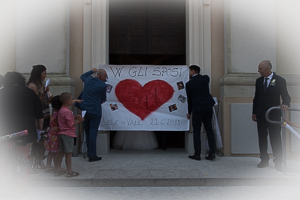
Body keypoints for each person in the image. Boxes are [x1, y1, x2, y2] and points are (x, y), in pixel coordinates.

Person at [0, 72, 44, 173]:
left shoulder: (1, 93)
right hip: (26, 131)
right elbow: (39, 114)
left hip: (6, 132)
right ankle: (22, 179)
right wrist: (40, 130)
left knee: (6, 157)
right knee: (24, 157)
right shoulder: (30, 93)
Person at [252, 60, 291, 172]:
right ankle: (264, 159)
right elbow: (256, 98)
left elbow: (286, 96)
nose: (258, 71)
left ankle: (278, 161)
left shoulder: (280, 80)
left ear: (268, 68)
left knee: (275, 138)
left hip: (273, 115)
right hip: (260, 114)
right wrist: (254, 112)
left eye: (260, 69)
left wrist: (285, 104)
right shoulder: (259, 81)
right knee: (262, 138)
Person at [185, 65, 216, 161]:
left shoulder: (189, 84)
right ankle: (212, 153)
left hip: (197, 109)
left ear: (193, 71)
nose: (189, 73)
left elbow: (189, 100)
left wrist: (189, 112)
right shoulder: (206, 78)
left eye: (189, 71)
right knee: (209, 129)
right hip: (208, 107)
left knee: (197, 131)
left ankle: (197, 154)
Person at [78, 68, 107, 162]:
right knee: (93, 132)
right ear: (101, 76)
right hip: (95, 111)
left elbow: (82, 76)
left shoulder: (88, 79)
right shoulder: (103, 85)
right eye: (105, 77)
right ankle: (92, 155)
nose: (106, 79)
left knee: (87, 132)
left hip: (85, 110)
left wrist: (92, 71)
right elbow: (103, 98)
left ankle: (88, 151)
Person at [27, 64, 53, 168]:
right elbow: (37, 102)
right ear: (38, 74)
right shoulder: (32, 86)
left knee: (44, 139)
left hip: (46, 113)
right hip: (38, 116)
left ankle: (40, 159)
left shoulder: (42, 85)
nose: (45, 76)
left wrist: (49, 97)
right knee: (37, 139)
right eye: (44, 73)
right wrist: (44, 94)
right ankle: (33, 162)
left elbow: (46, 100)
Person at [56, 92, 84, 178]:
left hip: (61, 133)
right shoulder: (67, 111)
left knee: (61, 152)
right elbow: (71, 125)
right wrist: (79, 121)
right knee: (68, 153)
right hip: (68, 134)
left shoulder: (61, 110)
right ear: (68, 101)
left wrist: (74, 118)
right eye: (71, 100)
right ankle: (69, 171)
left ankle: (58, 169)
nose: (72, 101)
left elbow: (66, 121)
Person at [44, 95, 62, 172]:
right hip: (55, 135)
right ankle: (56, 167)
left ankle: (48, 166)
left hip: (50, 133)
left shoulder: (53, 112)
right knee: (56, 152)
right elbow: (59, 124)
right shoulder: (58, 113)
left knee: (51, 151)